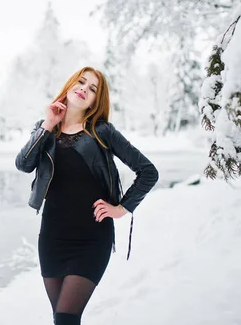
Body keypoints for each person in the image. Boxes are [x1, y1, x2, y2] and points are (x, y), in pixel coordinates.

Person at [15, 66, 160, 325]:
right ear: (70, 85)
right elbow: (23, 164)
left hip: (91, 239)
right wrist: (48, 124)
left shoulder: (101, 131)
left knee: (66, 318)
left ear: (96, 100)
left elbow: (148, 172)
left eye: (92, 89)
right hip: (52, 238)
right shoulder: (46, 129)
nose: (84, 89)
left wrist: (121, 208)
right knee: (62, 319)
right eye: (81, 82)